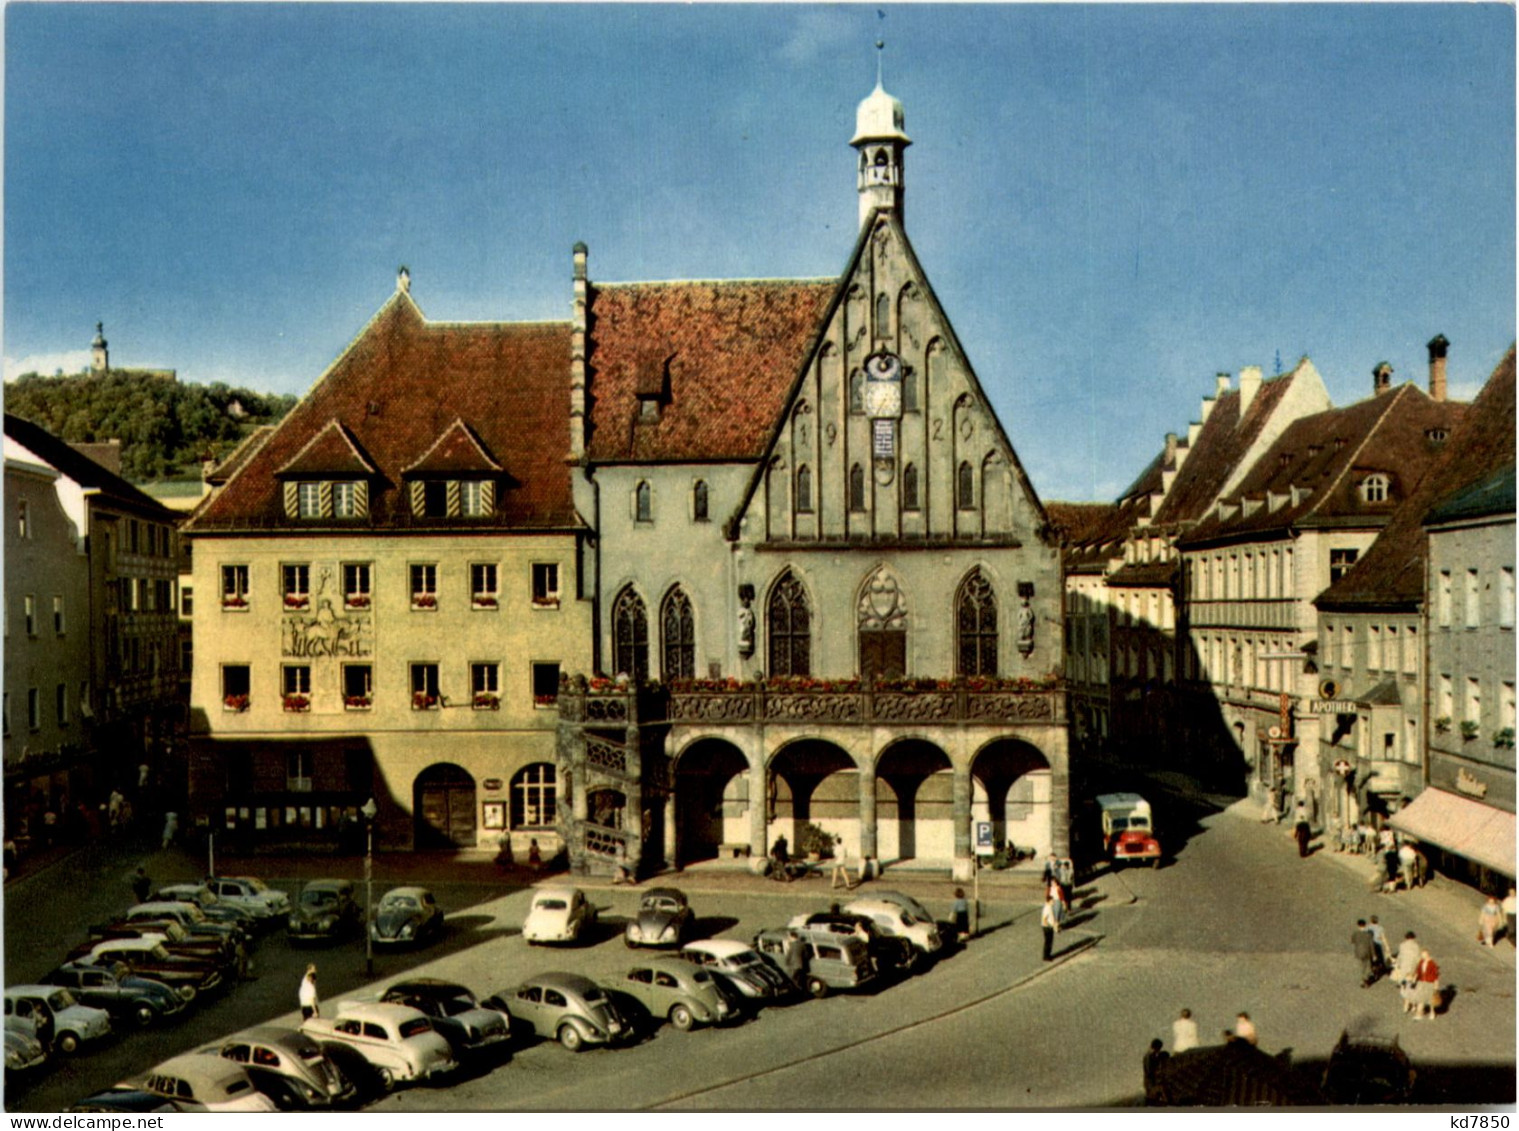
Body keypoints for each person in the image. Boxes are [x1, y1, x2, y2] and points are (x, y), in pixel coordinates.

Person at [1394, 931, 1421, 1013]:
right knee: (1413, 987)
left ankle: (1406, 1005)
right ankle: (1413, 1005)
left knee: (1404, 986)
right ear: (1414, 938)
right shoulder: (1416, 946)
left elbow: (1400, 956)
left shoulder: (1402, 945)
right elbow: (1418, 958)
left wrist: (1397, 964)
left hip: (1404, 968)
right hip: (1413, 968)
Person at [1413, 949, 1440, 1020]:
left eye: (1424, 956)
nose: (1423, 957)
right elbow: (1418, 971)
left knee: (1430, 999)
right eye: (1422, 956)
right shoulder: (1421, 962)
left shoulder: (1432, 963)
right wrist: (1415, 980)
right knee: (1420, 998)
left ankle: (1432, 1012)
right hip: (1421, 982)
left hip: (1429, 983)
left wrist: (1436, 986)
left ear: (1427, 955)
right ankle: (1419, 1013)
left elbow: (1435, 975)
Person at [1142, 1039, 1170, 1106]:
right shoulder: (1151, 1056)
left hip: (1149, 1081)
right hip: (1151, 1082)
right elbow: (1150, 1070)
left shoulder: (1148, 1055)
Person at [1351, 919, 1377, 987]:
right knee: (1366, 966)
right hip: (1367, 952)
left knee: (1361, 966)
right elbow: (1371, 945)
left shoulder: (1355, 933)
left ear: (1358, 925)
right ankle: (1365, 979)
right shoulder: (1368, 935)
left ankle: (1362, 980)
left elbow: (1353, 941)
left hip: (1358, 952)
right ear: (1365, 925)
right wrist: (1374, 955)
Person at [1039, 896, 1060, 961]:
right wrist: (1048, 925)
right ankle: (1046, 956)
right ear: (1049, 901)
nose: (1053, 902)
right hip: (1047, 927)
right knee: (1048, 942)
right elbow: (1044, 919)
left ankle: (1047, 955)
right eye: (1052, 901)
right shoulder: (1047, 908)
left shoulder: (1049, 907)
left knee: (1049, 942)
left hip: (1049, 926)